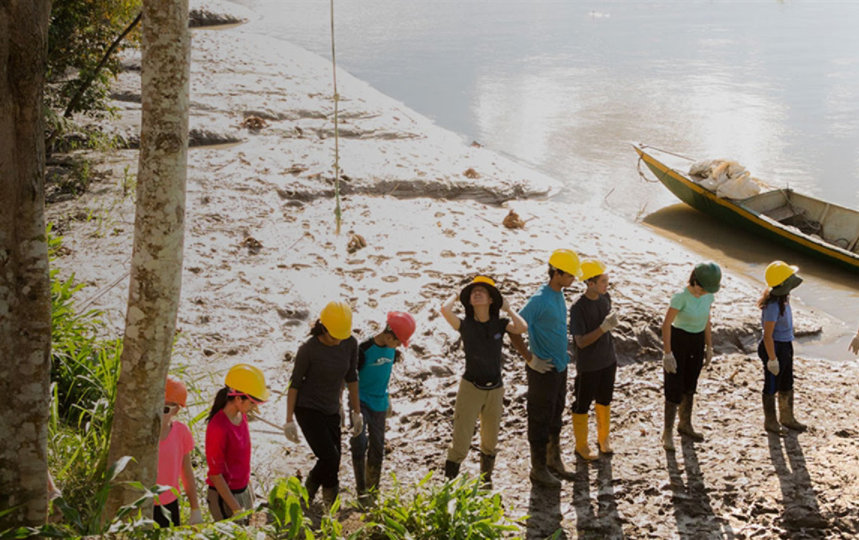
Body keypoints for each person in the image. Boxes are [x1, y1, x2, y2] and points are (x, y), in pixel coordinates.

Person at [439, 276, 528, 489]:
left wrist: (508, 308)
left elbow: (522, 327)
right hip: (470, 387)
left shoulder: (500, 323)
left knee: (490, 442)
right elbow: (445, 310)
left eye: (482, 291)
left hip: (495, 389)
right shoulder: (465, 325)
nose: (476, 293)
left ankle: (486, 483)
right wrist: (457, 293)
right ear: (469, 301)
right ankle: (447, 488)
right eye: (473, 292)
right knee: (460, 442)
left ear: (491, 300)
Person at [509, 249, 581, 487]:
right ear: (556, 273)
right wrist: (530, 358)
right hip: (542, 370)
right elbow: (513, 329)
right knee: (539, 418)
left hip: (559, 367)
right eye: (569, 275)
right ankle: (538, 468)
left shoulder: (559, 293)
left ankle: (553, 459)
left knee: (556, 413)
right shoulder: (539, 299)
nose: (572, 280)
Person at [283, 301, 363, 506]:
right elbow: (294, 385)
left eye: (342, 336)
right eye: (334, 336)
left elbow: (352, 378)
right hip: (307, 408)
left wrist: (356, 412)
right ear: (324, 328)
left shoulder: (350, 343)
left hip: (331, 408)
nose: (338, 341)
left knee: (333, 461)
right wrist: (289, 420)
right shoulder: (308, 349)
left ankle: (318, 502)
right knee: (329, 457)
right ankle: (316, 497)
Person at [350, 311, 416, 503]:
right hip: (360, 400)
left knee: (378, 447)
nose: (398, 347)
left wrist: (388, 399)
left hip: (380, 401)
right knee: (359, 441)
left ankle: (373, 490)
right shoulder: (363, 350)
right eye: (397, 342)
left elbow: (385, 373)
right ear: (388, 336)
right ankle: (361, 490)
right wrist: (351, 409)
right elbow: (350, 379)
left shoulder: (392, 350)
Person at [660, 262, 721, 451]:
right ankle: (667, 432)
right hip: (679, 340)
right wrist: (668, 353)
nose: (704, 292)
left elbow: (707, 321)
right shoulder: (680, 297)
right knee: (674, 386)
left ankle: (685, 424)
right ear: (695, 282)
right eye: (702, 288)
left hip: (697, 340)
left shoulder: (708, 296)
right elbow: (666, 325)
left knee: (690, 384)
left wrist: (709, 346)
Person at [569, 260, 620, 460]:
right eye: (603, 281)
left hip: (608, 359)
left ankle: (603, 439)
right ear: (590, 283)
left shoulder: (605, 297)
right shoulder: (578, 308)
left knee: (605, 400)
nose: (607, 285)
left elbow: (607, 319)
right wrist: (603, 328)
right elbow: (580, 342)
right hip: (589, 365)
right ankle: (581, 445)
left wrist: (610, 324)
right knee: (582, 404)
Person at [205, 363, 270, 521]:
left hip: (242, 490)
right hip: (224, 497)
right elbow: (216, 475)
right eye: (252, 403)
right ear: (238, 398)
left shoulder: (242, 416)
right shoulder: (218, 427)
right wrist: (236, 509)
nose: (254, 408)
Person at [757, 261, 807, 434]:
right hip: (774, 347)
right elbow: (767, 335)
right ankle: (770, 421)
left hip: (785, 344)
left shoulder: (783, 300)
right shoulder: (772, 306)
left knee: (787, 382)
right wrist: (772, 359)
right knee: (771, 384)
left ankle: (787, 417)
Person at [155, 375, 202, 527]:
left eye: (166, 409)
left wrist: (195, 508)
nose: (161, 414)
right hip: (142, 503)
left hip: (169, 504)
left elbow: (187, 471)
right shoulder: (142, 435)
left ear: (176, 410)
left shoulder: (181, 432)